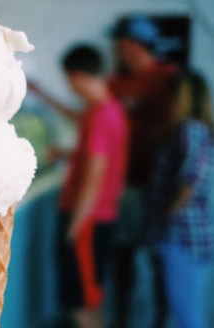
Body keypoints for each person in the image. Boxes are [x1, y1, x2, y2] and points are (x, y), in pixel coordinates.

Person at [31, 44, 129, 328]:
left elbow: (93, 178)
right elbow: (91, 149)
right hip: (97, 220)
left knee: (82, 306)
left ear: (76, 76)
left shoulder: (100, 116)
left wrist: (74, 227)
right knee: (90, 297)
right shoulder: (106, 109)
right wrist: (41, 94)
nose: (70, 88)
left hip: (87, 222)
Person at [107, 15, 178, 328]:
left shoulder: (169, 78)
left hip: (160, 185)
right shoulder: (115, 83)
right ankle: (123, 320)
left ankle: (162, 321)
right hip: (124, 185)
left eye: (124, 44)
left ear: (137, 45)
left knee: (160, 260)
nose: (121, 51)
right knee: (123, 257)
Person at [147, 71, 214, 328]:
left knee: (187, 314)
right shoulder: (195, 128)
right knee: (185, 311)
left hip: (183, 236)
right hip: (187, 235)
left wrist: (167, 213)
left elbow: (191, 180)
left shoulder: (190, 129)